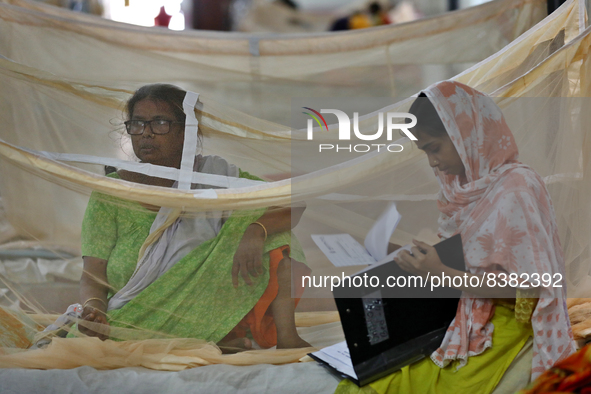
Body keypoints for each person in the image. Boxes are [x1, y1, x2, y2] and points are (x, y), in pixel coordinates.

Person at [336, 81, 575, 393]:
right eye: (425, 152)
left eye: (434, 148)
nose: (433, 162)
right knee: (370, 375)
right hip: (457, 310)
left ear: (465, 136)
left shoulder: (517, 187)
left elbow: (528, 289)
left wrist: (439, 273)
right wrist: (412, 258)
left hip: (501, 323)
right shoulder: (462, 187)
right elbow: (469, 257)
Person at [77, 83, 310, 350]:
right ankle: (216, 340)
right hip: (135, 319)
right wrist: (94, 311)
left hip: (205, 310)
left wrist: (256, 229)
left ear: (187, 131)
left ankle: (285, 337)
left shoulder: (213, 176)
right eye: (138, 124)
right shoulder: (111, 193)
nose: (147, 134)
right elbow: (92, 275)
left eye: (160, 123)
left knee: (274, 231)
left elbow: (292, 204)